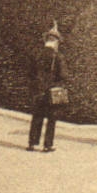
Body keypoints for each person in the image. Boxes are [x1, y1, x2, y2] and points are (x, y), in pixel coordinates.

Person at [27, 24, 69, 152]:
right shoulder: (58, 57)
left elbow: (30, 73)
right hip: (52, 91)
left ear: (46, 40)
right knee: (51, 118)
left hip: (38, 89)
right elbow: (63, 75)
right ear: (56, 41)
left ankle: (32, 143)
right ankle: (47, 145)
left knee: (37, 116)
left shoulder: (37, 54)